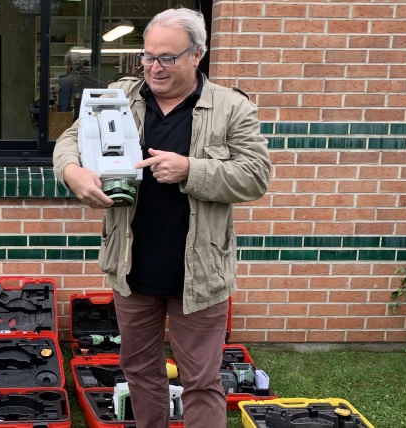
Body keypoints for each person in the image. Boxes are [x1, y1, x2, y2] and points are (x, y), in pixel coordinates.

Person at [53, 7, 271, 428]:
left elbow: (256, 176)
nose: (154, 67)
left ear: (197, 54)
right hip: (131, 266)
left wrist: (191, 169)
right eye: (148, 56)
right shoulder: (119, 96)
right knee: (139, 370)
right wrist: (72, 171)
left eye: (167, 58)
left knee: (202, 381)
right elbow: (71, 138)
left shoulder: (230, 107)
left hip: (200, 273)